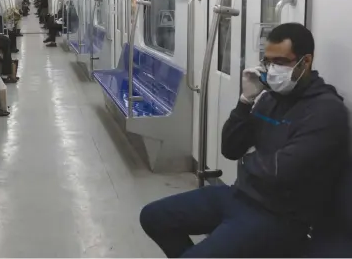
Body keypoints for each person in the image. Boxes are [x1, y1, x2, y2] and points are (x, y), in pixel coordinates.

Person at [139, 23, 349, 258]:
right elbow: (230, 148)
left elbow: (281, 171)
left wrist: (248, 163)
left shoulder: (326, 111)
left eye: (280, 62)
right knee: (153, 217)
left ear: (306, 61)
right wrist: (245, 101)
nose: (272, 70)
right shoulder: (270, 99)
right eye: (268, 62)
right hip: (240, 195)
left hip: (278, 216)